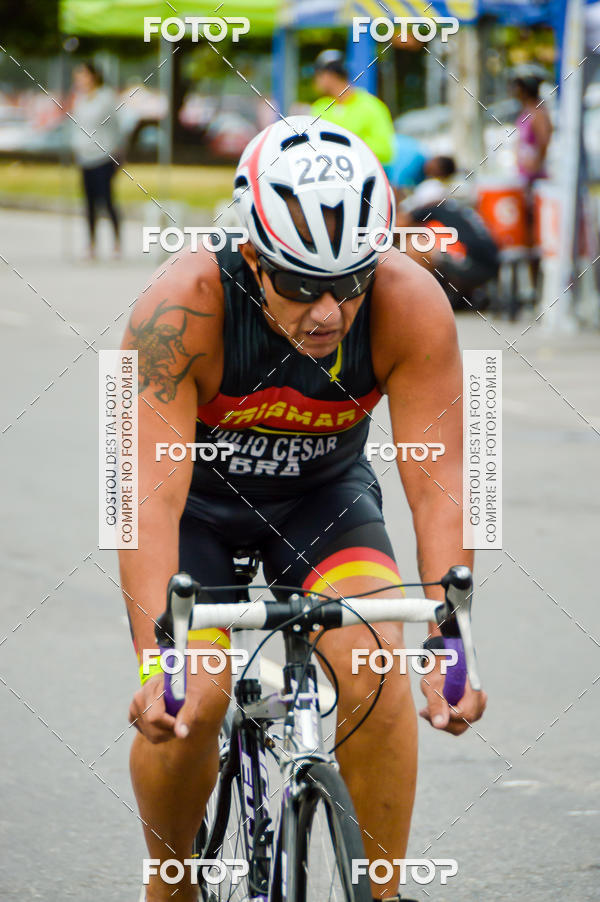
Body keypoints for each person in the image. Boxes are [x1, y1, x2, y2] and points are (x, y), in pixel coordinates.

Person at [119, 116, 487, 902]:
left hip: (322, 501)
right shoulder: (177, 307)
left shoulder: (411, 302)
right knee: (196, 695)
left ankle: (381, 893)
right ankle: (171, 882)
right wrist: (161, 663)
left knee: (374, 664)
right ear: (251, 255)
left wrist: (453, 643)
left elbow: (443, 476)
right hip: (197, 513)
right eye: (298, 283)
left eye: (350, 282)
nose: (328, 311)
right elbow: (144, 498)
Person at [396, 196, 499, 310]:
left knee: (414, 243)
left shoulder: (433, 210)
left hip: (471, 268)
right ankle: (463, 296)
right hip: (493, 267)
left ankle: (420, 298)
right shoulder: (460, 210)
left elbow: (400, 223)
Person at [71, 61, 123, 259]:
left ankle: (116, 241)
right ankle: (91, 243)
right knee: (89, 202)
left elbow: (116, 126)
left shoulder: (105, 97)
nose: (79, 80)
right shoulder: (80, 100)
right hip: (85, 157)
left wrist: (116, 151)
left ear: (93, 76)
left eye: (82, 75)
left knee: (107, 199)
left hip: (103, 155)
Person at [311, 49, 395, 166]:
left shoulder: (371, 106)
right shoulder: (319, 107)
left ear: (329, 75)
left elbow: (385, 151)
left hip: (362, 176)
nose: (315, 81)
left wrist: (344, 146)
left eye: (317, 75)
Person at [510, 65, 552, 187]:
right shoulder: (526, 110)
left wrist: (536, 165)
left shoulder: (538, 112)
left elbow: (544, 140)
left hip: (534, 174)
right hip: (524, 173)